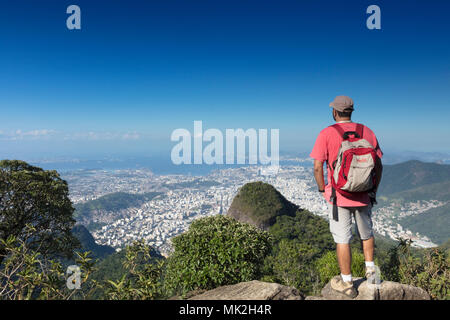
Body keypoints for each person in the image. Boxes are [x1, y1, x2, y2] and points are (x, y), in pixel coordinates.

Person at [310, 95, 383, 298]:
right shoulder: (367, 131)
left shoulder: (326, 133)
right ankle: (371, 272)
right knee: (366, 233)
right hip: (364, 194)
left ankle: (347, 282)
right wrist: (373, 188)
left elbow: (317, 167)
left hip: (338, 196)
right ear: (352, 111)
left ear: (334, 112)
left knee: (342, 239)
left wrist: (322, 188)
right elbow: (378, 164)